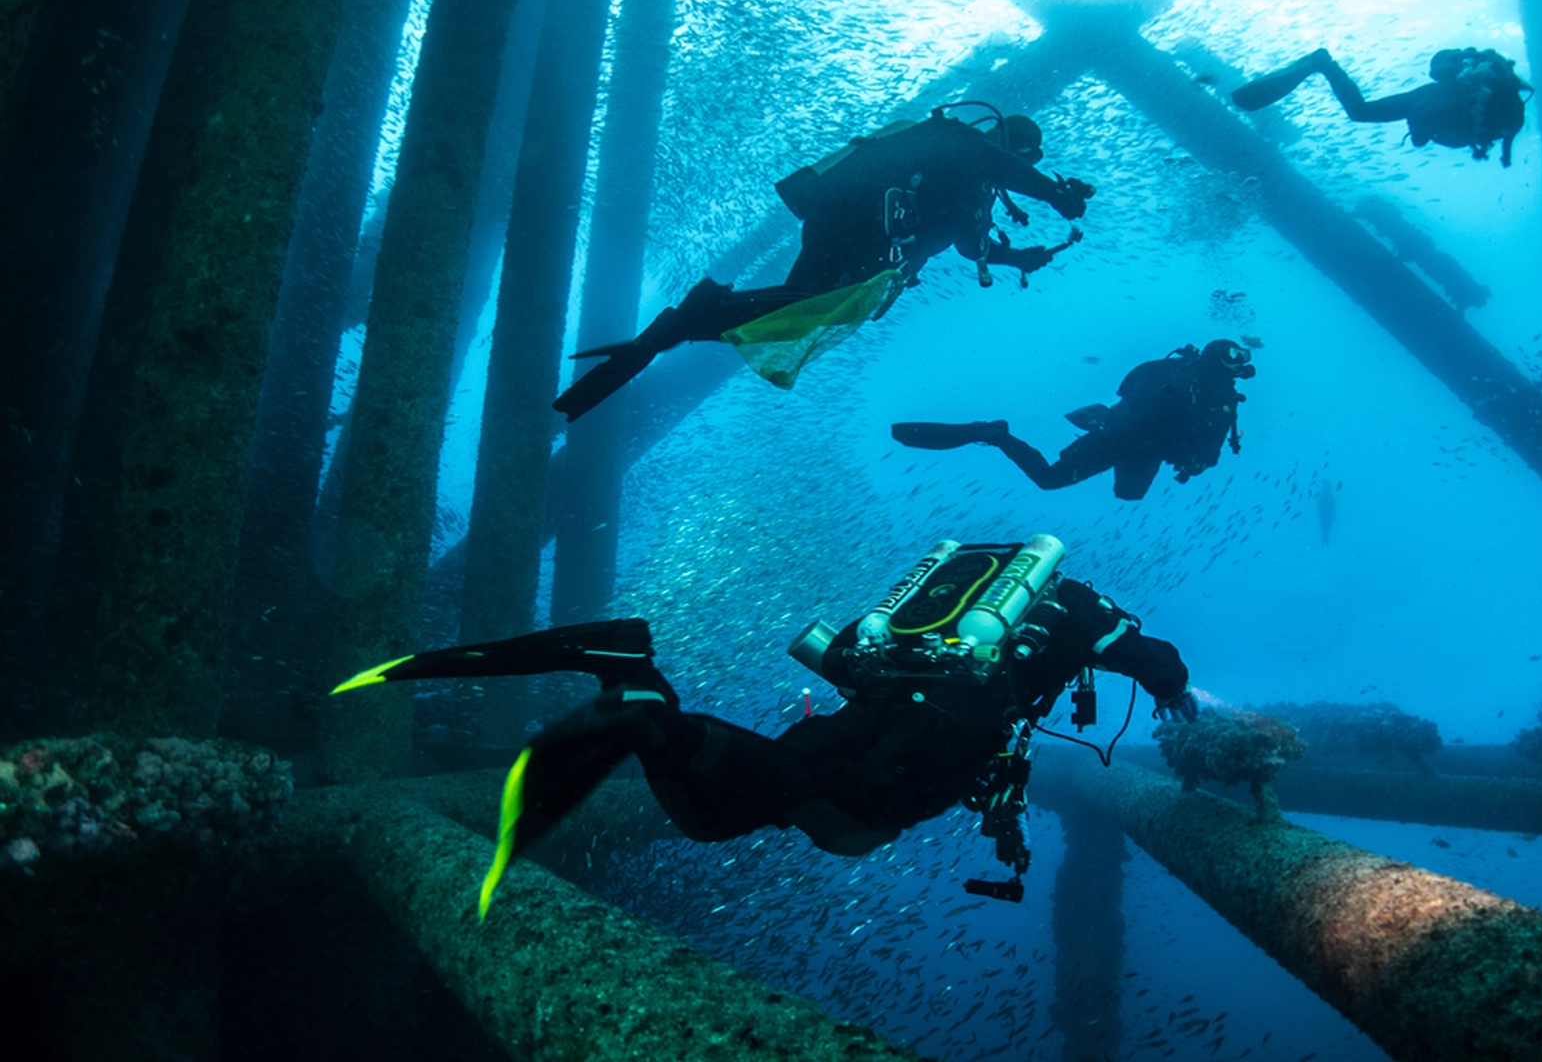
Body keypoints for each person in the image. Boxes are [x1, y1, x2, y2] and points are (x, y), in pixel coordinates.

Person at [331, 535, 1198, 917]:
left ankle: (639, 691)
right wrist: (1181, 699)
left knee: (720, 816)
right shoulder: (1083, 608)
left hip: (872, 703)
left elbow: (860, 652)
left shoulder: (960, 603)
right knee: (853, 819)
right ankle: (643, 704)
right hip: (941, 732)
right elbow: (1153, 660)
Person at [553, 105, 1096, 420]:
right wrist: (1053, 194)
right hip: (859, 224)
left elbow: (969, 245)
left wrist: (1015, 256)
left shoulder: (971, 185)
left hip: (848, 227)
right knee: (813, 311)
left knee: (790, 323)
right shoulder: (961, 145)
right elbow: (988, 161)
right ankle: (699, 310)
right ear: (1008, 143)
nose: (1017, 169)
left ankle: (677, 328)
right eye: (1021, 157)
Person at [891, 339, 1256, 500]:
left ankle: (997, 434)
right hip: (1119, 438)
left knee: (1128, 496)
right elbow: (1133, 395)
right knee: (1050, 480)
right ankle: (995, 434)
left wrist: (1194, 460)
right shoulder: (1185, 379)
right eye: (1233, 356)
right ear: (1215, 356)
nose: (1239, 364)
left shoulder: (1222, 399)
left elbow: (1210, 451)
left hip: (1141, 448)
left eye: (1241, 358)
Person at [1233, 47, 1530, 167]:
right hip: (1434, 103)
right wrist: (1505, 154)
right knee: (1361, 113)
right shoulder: (1499, 107)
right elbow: (1422, 129)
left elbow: (1509, 131)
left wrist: (1505, 154)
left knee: (1359, 111)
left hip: (1440, 104)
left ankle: (1324, 65)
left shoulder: (1499, 109)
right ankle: (1324, 64)